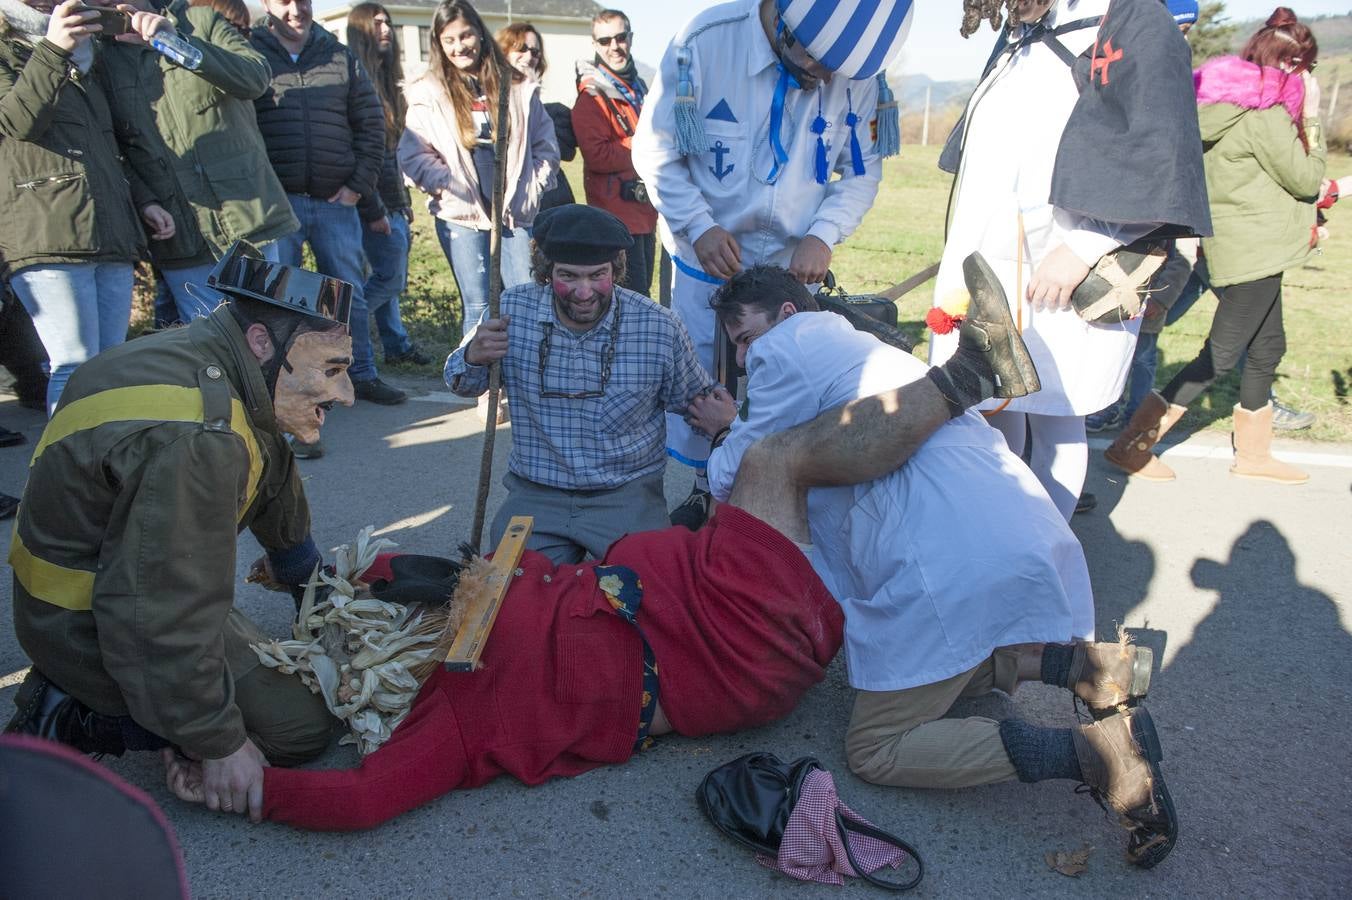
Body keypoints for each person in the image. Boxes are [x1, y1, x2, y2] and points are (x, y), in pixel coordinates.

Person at [160, 253, 1048, 831]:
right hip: (721, 642)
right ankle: (970, 376)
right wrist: (251, 789)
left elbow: (402, 573)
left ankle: (1055, 664)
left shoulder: (473, 608)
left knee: (808, 499)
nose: (386, 640)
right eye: (369, 650)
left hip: (693, 596)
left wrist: (329, 579)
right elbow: (361, 797)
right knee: (782, 465)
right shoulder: (457, 715)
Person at [687, 261, 1175, 869]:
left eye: (745, 338)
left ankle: (1096, 753)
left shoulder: (791, 341)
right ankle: (1087, 666)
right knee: (942, 667)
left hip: (944, 561)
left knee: (876, 748)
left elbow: (751, 465)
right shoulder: (869, 352)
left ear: (786, 314)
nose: (746, 354)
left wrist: (722, 429)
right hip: (1009, 526)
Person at [5, 243, 354, 823]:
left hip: (116, 583)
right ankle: (79, 710)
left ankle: (137, 701)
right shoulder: (200, 437)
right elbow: (160, 608)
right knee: (304, 726)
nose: (344, 395)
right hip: (92, 619)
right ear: (263, 343)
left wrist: (312, 589)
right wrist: (216, 742)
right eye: (332, 370)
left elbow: (272, 469)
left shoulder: (212, 357)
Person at [929, 0, 1211, 520]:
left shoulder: (1132, 16)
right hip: (992, 261)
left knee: (1056, 415)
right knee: (992, 404)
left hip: (1061, 264)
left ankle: (1045, 556)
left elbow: (1157, 152)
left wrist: (1085, 246)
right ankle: (999, 539)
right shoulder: (1029, 23)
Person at [632, 0, 902, 529]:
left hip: (790, 264)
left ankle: (774, 493)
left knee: (784, 384)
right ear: (781, 19)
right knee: (705, 377)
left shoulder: (859, 65)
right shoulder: (706, 41)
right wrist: (698, 224)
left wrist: (823, 235)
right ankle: (706, 490)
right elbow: (657, 152)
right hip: (705, 252)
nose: (827, 76)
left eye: (838, 69)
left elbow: (861, 172)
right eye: (816, 61)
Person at [1106, 7, 1325, 485]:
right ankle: (1133, 446)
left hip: (1238, 243)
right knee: (1221, 356)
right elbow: (1307, 179)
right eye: (1306, 66)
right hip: (1255, 250)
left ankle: (1253, 453)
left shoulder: (1220, 106)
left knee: (1268, 346)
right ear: (1290, 65)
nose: (1308, 76)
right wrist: (1313, 120)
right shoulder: (1266, 115)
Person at [443, 204, 712, 564]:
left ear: (616, 269)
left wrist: (730, 423)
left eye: (597, 275)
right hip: (536, 495)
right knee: (510, 600)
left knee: (649, 596)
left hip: (627, 495)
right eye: (568, 276)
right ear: (545, 270)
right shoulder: (508, 311)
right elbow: (461, 381)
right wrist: (474, 356)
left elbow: (698, 401)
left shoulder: (658, 326)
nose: (584, 292)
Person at [251, 0, 406, 428]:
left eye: (303, 0)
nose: (295, 9)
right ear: (267, 4)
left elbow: (371, 125)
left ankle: (360, 376)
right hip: (276, 203)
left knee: (346, 294)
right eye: (284, 1)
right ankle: (279, 387)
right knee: (275, 298)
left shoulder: (339, 55)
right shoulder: (251, 51)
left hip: (334, 201)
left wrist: (356, 188)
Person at [0, 0, 158, 414]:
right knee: (74, 365)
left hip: (111, 226)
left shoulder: (92, 53)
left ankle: (104, 469)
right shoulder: (11, 45)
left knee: (110, 367)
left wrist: (145, 201)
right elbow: (17, 123)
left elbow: (112, 145)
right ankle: (64, 476)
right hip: (47, 227)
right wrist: (54, 48)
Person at [98, 0, 301, 323]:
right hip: (181, 234)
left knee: (265, 335)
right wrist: (145, 199)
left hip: (248, 222)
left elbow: (255, 78)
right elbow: (110, 147)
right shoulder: (98, 59)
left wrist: (175, 41)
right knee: (208, 346)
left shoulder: (199, 21)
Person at [399, 0, 559, 337]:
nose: (460, 47)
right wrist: (447, 185)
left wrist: (533, 186)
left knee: (525, 299)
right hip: (463, 214)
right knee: (478, 304)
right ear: (439, 44)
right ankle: (480, 386)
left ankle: (522, 382)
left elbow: (546, 147)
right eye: (450, 40)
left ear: (480, 35)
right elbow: (413, 154)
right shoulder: (428, 91)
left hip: (513, 210)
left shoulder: (514, 84)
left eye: (466, 36)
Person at [347, 2, 430, 369]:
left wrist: (404, 199)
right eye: (375, 22)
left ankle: (396, 345)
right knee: (390, 279)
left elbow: (393, 155)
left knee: (387, 276)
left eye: (387, 22)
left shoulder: (388, 82)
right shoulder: (355, 81)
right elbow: (364, 155)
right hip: (369, 202)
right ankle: (343, 330)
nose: (384, 29)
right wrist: (376, 208)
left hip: (393, 200)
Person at [571, 8, 657, 297]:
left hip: (645, 212)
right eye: (605, 41)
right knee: (627, 300)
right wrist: (643, 146)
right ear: (595, 45)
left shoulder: (641, 87)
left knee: (641, 293)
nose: (614, 47)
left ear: (630, 38)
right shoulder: (591, 97)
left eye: (620, 37)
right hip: (615, 218)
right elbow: (597, 156)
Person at [496, 21, 577, 213]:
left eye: (535, 52)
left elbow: (549, 153)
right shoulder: (492, 100)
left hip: (542, 196)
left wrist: (537, 187)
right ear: (504, 51)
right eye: (521, 48)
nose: (529, 56)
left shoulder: (538, 104)